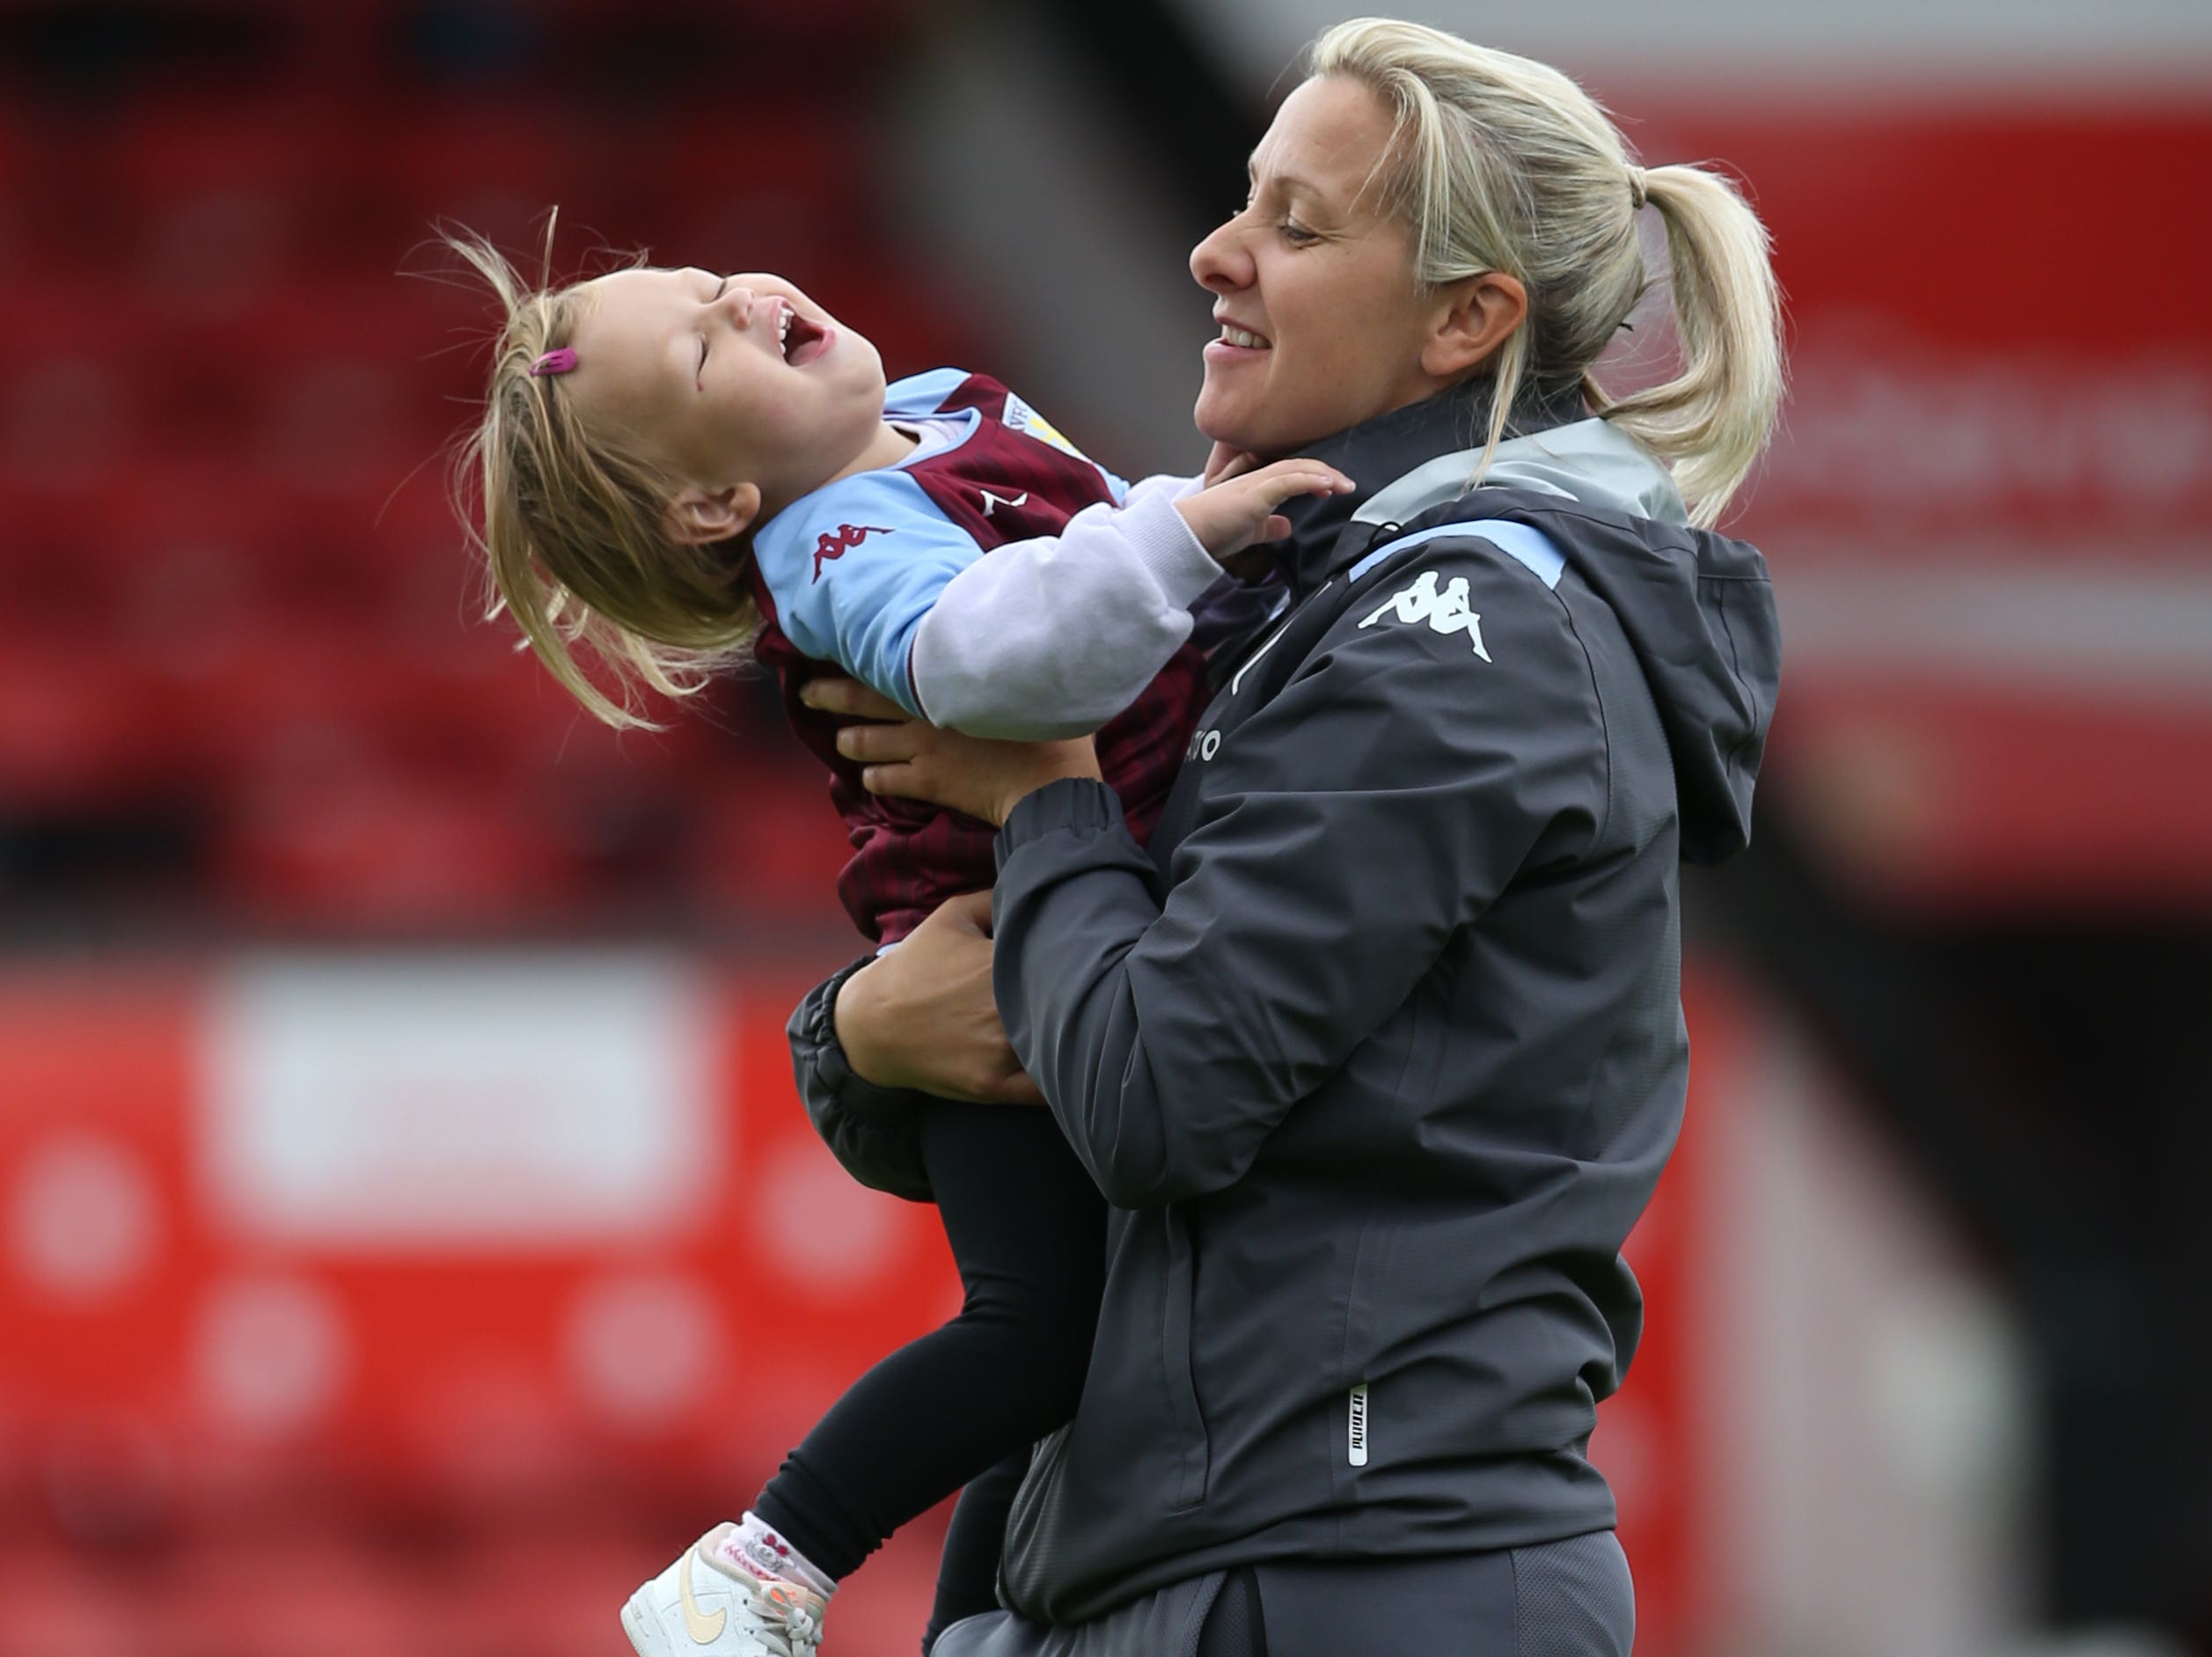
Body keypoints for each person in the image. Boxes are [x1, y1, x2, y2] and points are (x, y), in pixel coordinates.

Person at [803, 18, 1785, 1655]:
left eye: (1296, 225)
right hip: (1205, 1568)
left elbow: (1152, 1090)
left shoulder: (1464, 626)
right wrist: (856, 1035)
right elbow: (1041, 1053)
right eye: (1242, 200)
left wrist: (1045, 790)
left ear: (1465, 321)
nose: (1214, 250)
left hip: (1353, 1582)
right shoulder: (1289, 589)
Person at [443, 236, 1349, 1657]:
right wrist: (1191, 533)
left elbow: (1113, 563)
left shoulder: (948, 404)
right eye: (702, 352)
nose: (742, 300)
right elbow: (999, 660)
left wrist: (1205, 560)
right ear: (714, 503)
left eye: (701, 284)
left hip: (1081, 929)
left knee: (1072, 1362)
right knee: (1035, 1337)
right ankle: (760, 1565)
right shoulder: (836, 542)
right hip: (984, 967)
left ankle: (961, 1632)